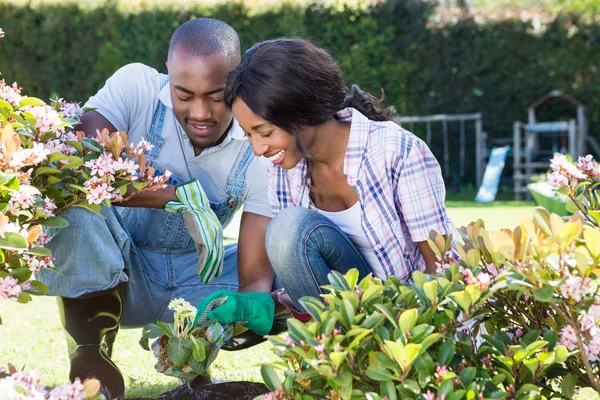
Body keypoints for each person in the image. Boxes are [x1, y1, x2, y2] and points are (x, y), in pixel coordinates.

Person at [37, 19, 278, 398]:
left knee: (290, 259)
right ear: (168, 73)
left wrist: (243, 311)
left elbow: (252, 277)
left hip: (198, 283)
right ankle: (91, 360)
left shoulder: (259, 142)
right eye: (184, 95)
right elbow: (80, 162)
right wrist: (181, 198)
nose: (200, 113)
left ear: (237, 82)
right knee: (75, 210)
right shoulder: (137, 86)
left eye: (216, 96)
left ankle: (195, 367)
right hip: (118, 275)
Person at [223, 38, 456, 311]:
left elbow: (442, 267)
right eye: (248, 134)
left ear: (301, 111)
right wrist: (258, 308)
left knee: (288, 228)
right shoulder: (281, 171)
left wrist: (403, 333)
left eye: (265, 132)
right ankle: (339, 349)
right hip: (350, 319)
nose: (258, 149)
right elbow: (305, 278)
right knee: (287, 229)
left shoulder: (396, 152)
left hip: (414, 315)